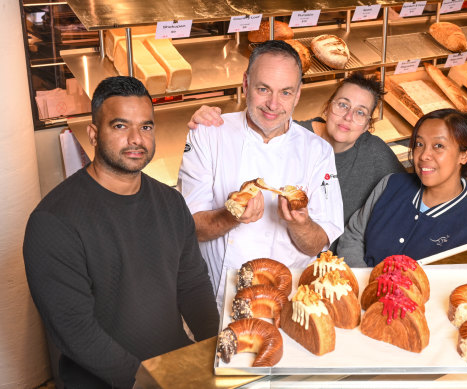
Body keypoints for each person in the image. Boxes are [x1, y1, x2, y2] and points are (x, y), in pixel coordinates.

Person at [23, 76, 219, 389]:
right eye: (120, 126)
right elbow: (75, 329)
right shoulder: (53, 221)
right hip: (108, 382)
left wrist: (217, 354)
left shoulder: (170, 202)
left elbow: (192, 285)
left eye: (146, 126)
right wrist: (149, 381)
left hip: (177, 369)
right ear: (93, 134)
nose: (136, 139)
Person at [178, 40, 344, 306]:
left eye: (286, 92)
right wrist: (230, 216)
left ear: (298, 94)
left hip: (288, 302)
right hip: (217, 299)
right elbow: (189, 227)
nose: (273, 104)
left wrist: (299, 223)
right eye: (263, 89)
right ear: (245, 84)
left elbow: (317, 243)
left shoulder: (319, 152)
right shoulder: (208, 133)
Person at [188, 72, 405, 238]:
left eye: (360, 113)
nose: (348, 117)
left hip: (344, 257)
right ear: (328, 107)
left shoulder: (376, 153)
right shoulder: (293, 136)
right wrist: (207, 119)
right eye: (342, 105)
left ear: (368, 125)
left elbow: (412, 195)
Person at [337, 108, 467, 266]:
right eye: (419, 144)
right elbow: (354, 236)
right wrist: (364, 283)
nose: (424, 155)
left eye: (438, 145)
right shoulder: (390, 185)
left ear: (464, 155)